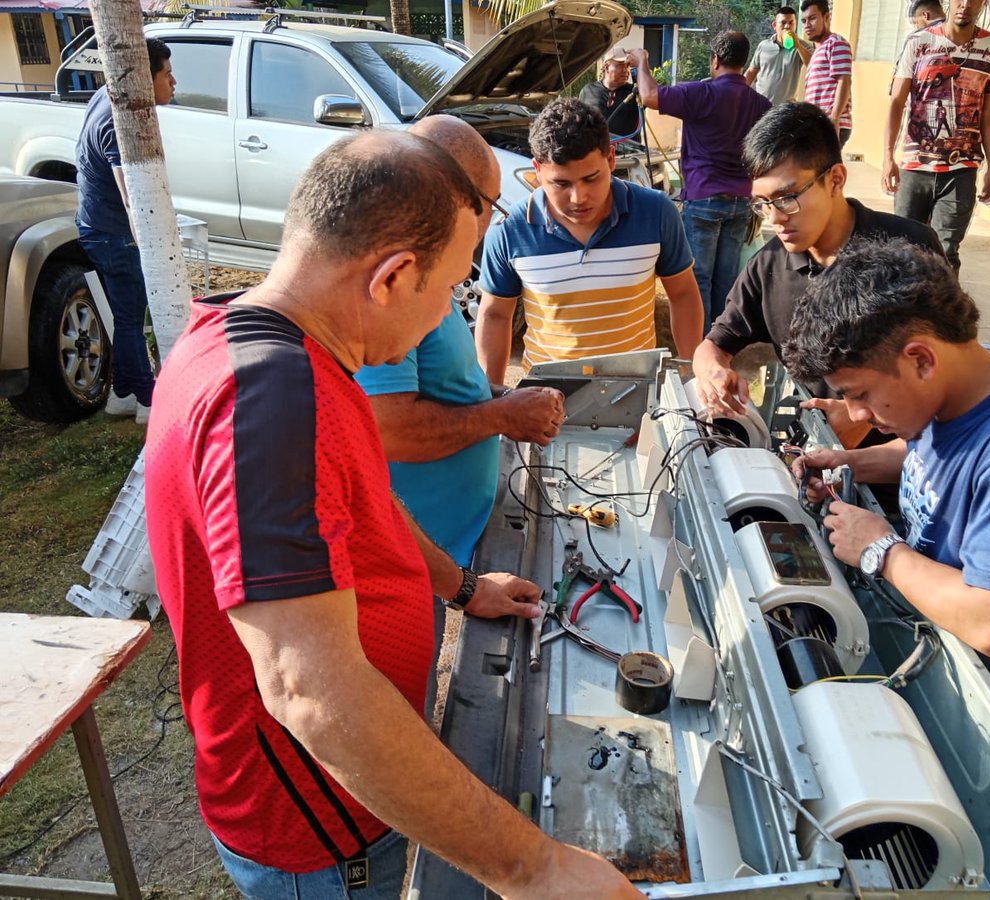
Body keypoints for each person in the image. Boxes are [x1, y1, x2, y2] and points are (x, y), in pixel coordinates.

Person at [144, 131, 639, 899]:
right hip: (318, 823)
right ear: (394, 276)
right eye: (450, 290)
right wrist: (534, 868)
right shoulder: (273, 405)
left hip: (340, 803)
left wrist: (461, 587)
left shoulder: (264, 344)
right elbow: (311, 691)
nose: (451, 309)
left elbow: (362, 506)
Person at [780, 237, 990, 746]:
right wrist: (850, 460)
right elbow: (934, 452)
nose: (856, 416)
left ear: (920, 358)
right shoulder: (958, 386)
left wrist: (881, 550)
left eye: (860, 395)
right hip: (930, 654)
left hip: (978, 721)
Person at [355, 116, 563, 712]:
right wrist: (499, 418)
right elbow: (387, 428)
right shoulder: (391, 296)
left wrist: (502, 401)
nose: (488, 227)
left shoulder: (423, 282)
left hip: (432, 561)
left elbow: (442, 389)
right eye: (488, 207)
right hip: (401, 571)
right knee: (398, 711)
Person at [691, 102, 942, 423]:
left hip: (907, 452)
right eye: (763, 203)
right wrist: (714, 372)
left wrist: (865, 419)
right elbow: (713, 345)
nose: (775, 218)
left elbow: (945, 370)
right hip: (811, 451)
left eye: (787, 198)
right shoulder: (768, 266)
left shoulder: (910, 248)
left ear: (835, 180)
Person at [475, 98, 703, 381]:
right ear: (537, 170)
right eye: (561, 183)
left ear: (610, 158)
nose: (578, 197)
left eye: (591, 178)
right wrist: (493, 394)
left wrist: (692, 372)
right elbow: (495, 315)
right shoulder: (509, 231)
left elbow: (683, 294)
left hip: (636, 397)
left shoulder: (656, 213)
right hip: (545, 400)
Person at [628, 33, 771, 328]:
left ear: (715, 60)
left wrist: (642, 61)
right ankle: (722, 341)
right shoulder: (760, 104)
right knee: (726, 279)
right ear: (744, 62)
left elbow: (649, 96)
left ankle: (702, 345)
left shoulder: (700, 94)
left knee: (699, 279)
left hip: (704, 199)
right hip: (740, 203)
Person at [75, 38, 175, 417]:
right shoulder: (120, 124)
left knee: (125, 313)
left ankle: (120, 395)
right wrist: (150, 246)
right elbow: (133, 198)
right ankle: (149, 402)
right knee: (131, 317)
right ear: (143, 81)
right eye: (166, 74)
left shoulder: (108, 94)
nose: (174, 81)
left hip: (96, 223)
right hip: (111, 232)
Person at [882, 0, 990, 271]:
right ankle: (903, 313)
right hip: (916, 166)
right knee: (904, 250)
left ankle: (942, 314)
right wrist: (887, 157)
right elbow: (896, 101)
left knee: (946, 253)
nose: (965, 5)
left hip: (962, 169)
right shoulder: (919, 42)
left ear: (984, 3)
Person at [799, 0, 853, 147]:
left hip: (830, 124)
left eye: (812, 18)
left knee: (822, 169)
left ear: (827, 17)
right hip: (819, 124)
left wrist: (834, 119)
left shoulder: (836, 43)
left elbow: (844, 81)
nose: (807, 25)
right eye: (804, 21)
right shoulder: (818, 50)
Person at [745, 7, 811, 105]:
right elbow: (751, 72)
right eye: (783, 23)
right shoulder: (764, 46)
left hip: (785, 110)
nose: (787, 26)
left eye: (791, 22)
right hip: (760, 105)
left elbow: (814, 65)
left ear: (796, 25)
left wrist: (798, 46)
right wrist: (740, 94)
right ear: (775, 25)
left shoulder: (802, 46)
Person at [579, 46, 640, 138]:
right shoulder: (588, 91)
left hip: (628, 150)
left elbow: (652, 94)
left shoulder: (634, 92)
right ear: (607, 67)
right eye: (620, 65)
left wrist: (642, 63)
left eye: (627, 66)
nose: (625, 70)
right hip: (597, 149)